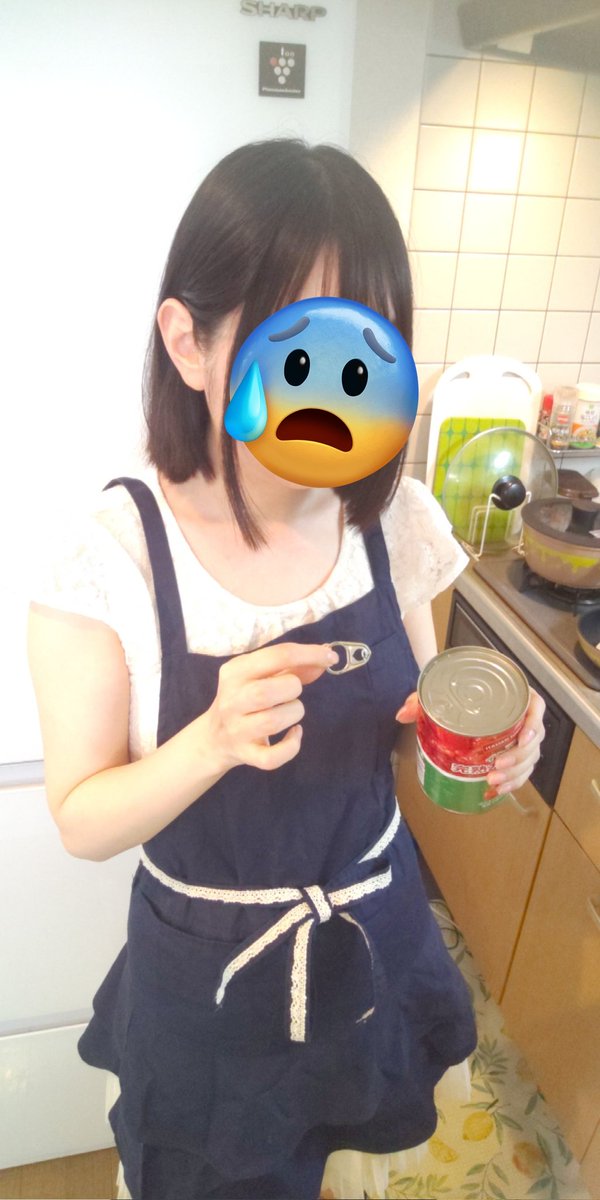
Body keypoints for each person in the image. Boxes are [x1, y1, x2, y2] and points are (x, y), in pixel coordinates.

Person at [28, 139, 545, 1200]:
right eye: (303, 344)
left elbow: (414, 728)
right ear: (190, 342)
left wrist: (480, 748)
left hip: (373, 953)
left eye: (373, 344)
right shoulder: (113, 557)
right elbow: (82, 819)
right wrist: (211, 743)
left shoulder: (392, 523)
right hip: (209, 1001)